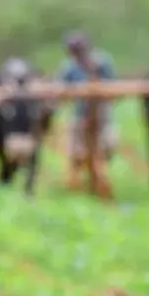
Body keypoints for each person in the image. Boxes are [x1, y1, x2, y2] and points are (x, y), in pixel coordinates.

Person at [55, 31, 117, 189]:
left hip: (102, 114)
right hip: (79, 114)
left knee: (107, 147)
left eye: (79, 49)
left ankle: (97, 178)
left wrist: (98, 89)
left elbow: (113, 87)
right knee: (76, 152)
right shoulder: (69, 66)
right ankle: (79, 182)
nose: (77, 54)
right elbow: (59, 88)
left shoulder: (102, 62)